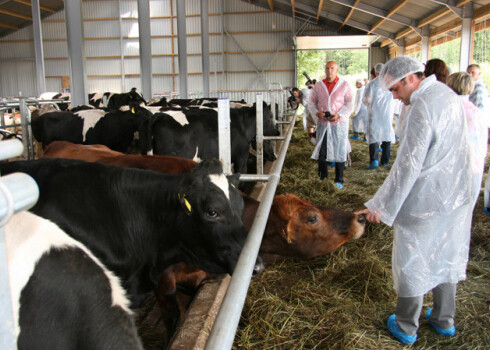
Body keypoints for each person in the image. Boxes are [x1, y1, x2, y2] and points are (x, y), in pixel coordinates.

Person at [356, 56, 472, 345]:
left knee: (413, 258)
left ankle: (407, 325)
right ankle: (444, 319)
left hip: (426, 199)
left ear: (409, 78)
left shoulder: (421, 106)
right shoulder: (446, 94)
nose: (395, 97)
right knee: (447, 252)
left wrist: (380, 207)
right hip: (457, 193)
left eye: (395, 90)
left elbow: (408, 165)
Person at [308, 61, 353, 189]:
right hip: (323, 124)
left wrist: (340, 115)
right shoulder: (319, 86)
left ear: (337, 70)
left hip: (339, 124)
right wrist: (317, 113)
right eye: (327, 68)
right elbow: (311, 103)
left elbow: (349, 103)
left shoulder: (344, 85)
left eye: (332, 68)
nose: (329, 71)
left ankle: (339, 179)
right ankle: (323, 178)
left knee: (340, 149)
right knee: (322, 150)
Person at [446, 72, 488, 208]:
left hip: (451, 166)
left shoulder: (447, 110)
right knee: (466, 207)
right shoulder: (478, 113)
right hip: (474, 166)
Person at [363, 62, 396, 169]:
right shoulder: (390, 83)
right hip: (387, 114)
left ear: (376, 72)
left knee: (374, 136)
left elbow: (366, 99)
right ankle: (385, 160)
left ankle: (374, 160)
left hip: (374, 113)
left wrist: (370, 105)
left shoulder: (372, 84)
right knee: (387, 135)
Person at [301, 79, 318, 145]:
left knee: (311, 124)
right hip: (313, 110)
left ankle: (313, 138)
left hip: (315, 110)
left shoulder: (313, 91)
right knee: (311, 124)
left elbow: (306, 102)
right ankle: (312, 137)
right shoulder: (310, 91)